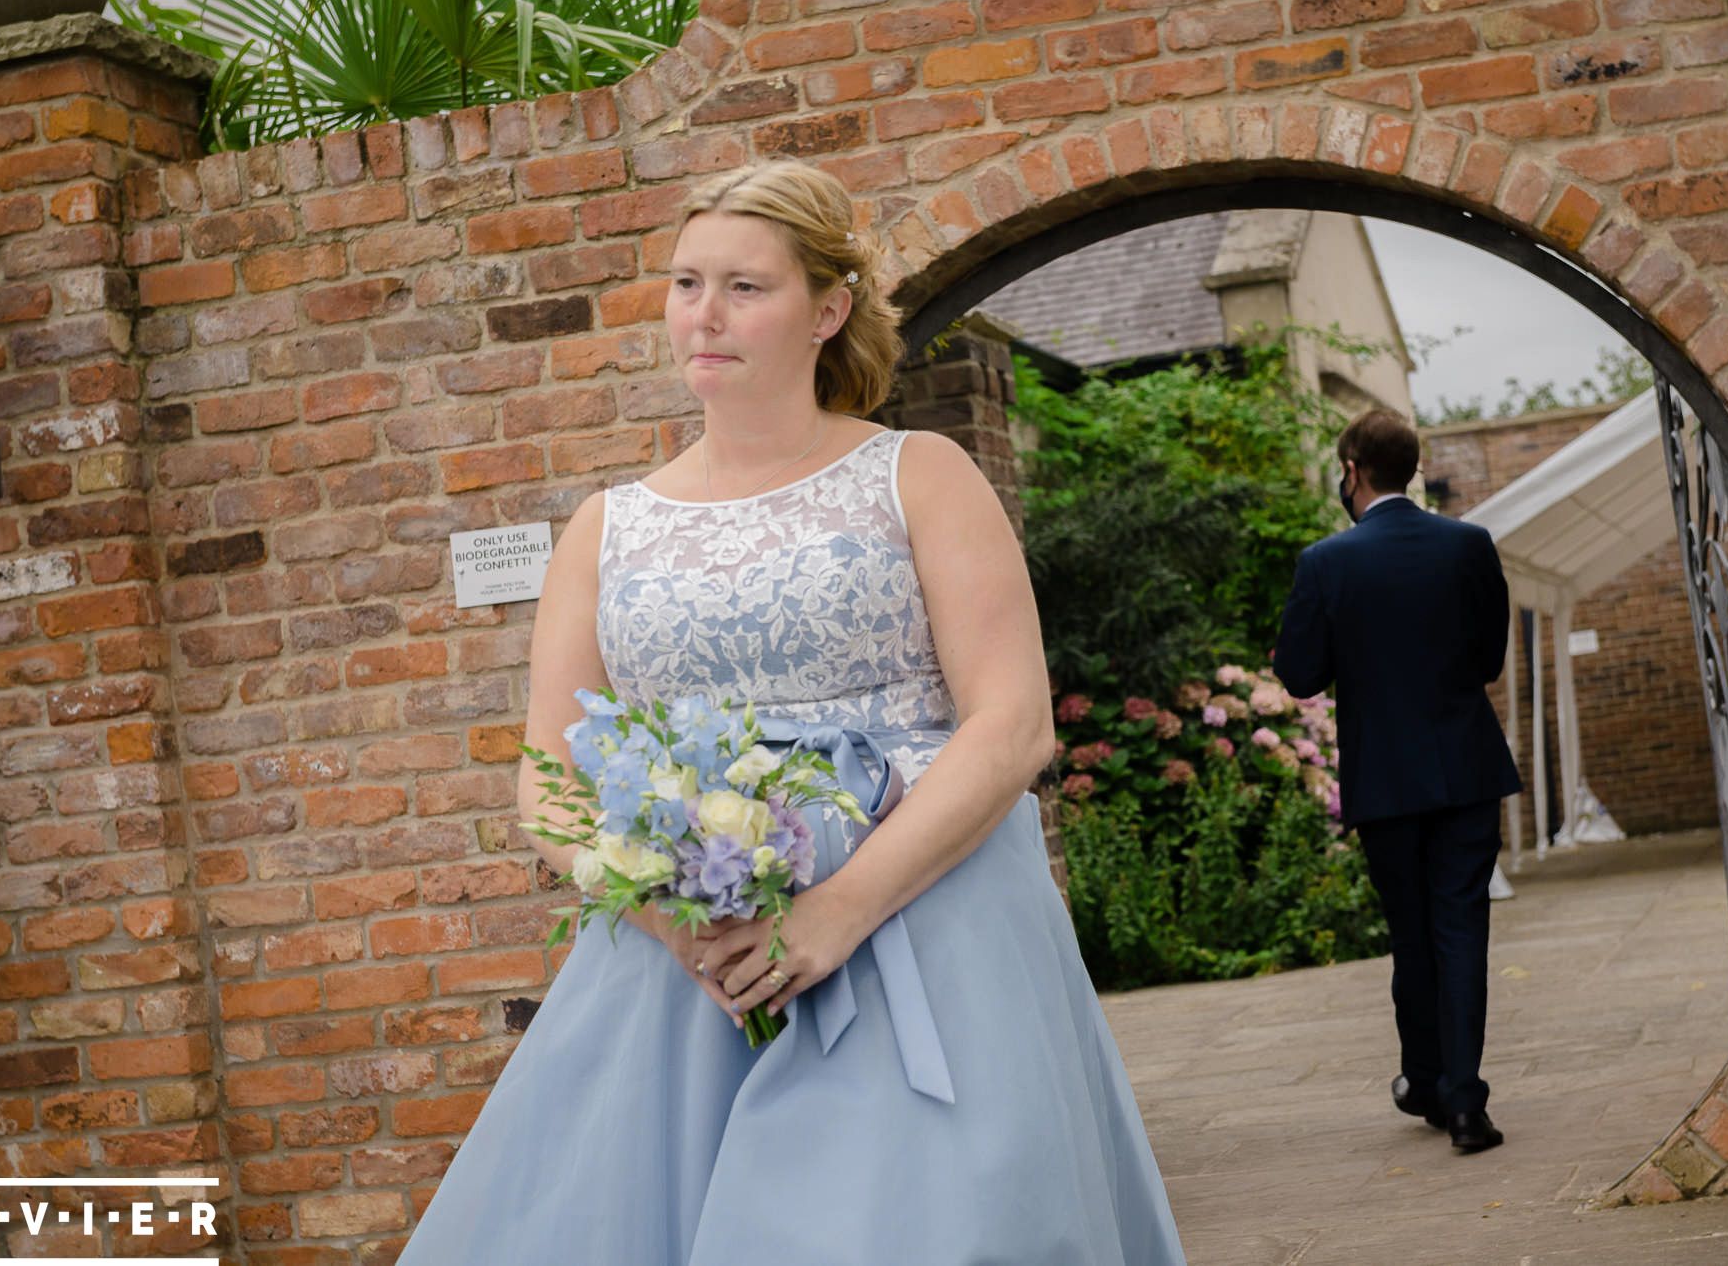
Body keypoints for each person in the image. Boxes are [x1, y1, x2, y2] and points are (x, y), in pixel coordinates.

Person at [395, 161, 1187, 1264]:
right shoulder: (603, 529)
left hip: (926, 926)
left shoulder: (920, 475)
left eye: (743, 288)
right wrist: (680, 929)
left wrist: (834, 913)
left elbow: (1012, 725)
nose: (702, 316)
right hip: (687, 965)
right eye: (684, 283)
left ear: (827, 309)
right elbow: (548, 777)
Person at [1271, 410, 1522, 1155]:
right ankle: (1463, 1100)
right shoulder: (1468, 544)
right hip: (1467, 770)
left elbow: (1298, 675)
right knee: (1462, 931)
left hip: (1386, 782)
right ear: (1409, 467)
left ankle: (1426, 1080)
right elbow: (1488, 659)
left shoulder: (1326, 562)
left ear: (1352, 468)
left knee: (1413, 937)